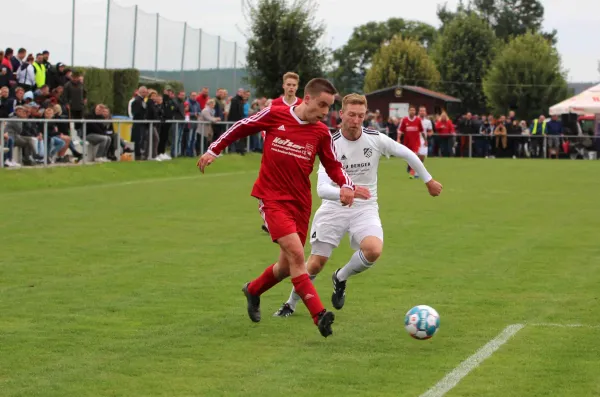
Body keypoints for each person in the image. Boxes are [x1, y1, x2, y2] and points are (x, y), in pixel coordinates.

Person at [197, 78, 356, 337]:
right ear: (307, 99)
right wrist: (214, 150)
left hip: (300, 203)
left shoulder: (320, 133)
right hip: (271, 198)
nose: (326, 112)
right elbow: (241, 126)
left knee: (285, 266)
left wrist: (346, 185)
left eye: (329, 107)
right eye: (323, 105)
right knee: (296, 254)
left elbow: (333, 165)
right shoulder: (275, 114)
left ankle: (253, 290)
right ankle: (319, 315)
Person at [273, 94, 443, 317]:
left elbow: (407, 153)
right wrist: (345, 193)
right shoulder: (329, 142)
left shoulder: (375, 139)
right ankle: (290, 303)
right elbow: (322, 189)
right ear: (341, 114)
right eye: (351, 115)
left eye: (361, 116)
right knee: (315, 263)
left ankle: (340, 277)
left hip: (365, 207)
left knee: (373, 250)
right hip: (334, 207)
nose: (356, 120)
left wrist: (428, 180)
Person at [398, 105, 424, 178]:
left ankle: (413, 173)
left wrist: (425, 140)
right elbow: (400, 131)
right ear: (408, 111)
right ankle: (410, 167)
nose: (412, 111)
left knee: (415, 156)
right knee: (408, 157)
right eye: (411, 110)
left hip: (416, 142)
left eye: (413, 110)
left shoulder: (418, 120)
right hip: (407, 143)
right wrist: (398, 139)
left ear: (415, 112)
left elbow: (422, 131)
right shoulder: (405, 120)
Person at [417, 106, 433, 177]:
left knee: (422, 157)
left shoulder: (428, 121)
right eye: (421, 111)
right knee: (416, 156)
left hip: (424, 140)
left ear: (425, 112)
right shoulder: (416, 120)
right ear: (419, 112)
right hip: (416, 140)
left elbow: (430, 131)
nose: (422, 112)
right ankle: (416, 172)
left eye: (423, 111)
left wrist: (430, 134)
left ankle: (417, 170)